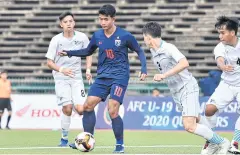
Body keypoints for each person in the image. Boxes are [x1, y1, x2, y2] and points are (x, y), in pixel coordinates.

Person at [60, 4, 147, 153]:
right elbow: (88, 51)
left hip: (119, 77)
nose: (103, 22)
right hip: (102, 77)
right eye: (100, 19)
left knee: (112, 110)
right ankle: (87, 139)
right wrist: (69, 52)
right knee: (87, 106)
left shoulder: (125, 35)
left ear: (113, 19)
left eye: (106, 19)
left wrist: (143, 69)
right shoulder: (97, 35)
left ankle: (120, 145)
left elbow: (139, 50)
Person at [142, 21, 230, 155]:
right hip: (176, 91)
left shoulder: (169, 48)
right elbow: (165, 68)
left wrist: (164, 75)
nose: (143, 40)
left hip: (186, 86)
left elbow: (184, 63)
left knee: (189, 125)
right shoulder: (153, 51)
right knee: (196, 118)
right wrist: (148, 74)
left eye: (144, 37)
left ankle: (222, 142)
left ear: (148, 37)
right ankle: (213, 143)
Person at [45, 11, 92, 147]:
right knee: (67, 108)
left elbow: (89, 54)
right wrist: (61, 69)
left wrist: (88, 70)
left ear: (74, 22)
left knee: (82, 109)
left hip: (77, 78)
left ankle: (86, 137)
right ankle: (64, 138)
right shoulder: (56, 40)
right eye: (65, 22)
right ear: (61, 25)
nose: (69, 24)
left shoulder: (82, 37)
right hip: (61, 77)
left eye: (71, 21)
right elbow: (49, 62)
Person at [200, 16, 240, 155]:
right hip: (227, 84)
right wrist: (223, 66)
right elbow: (219, 60)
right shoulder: (220, 47)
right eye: (219, 32)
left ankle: (234, 144)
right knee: (209, 110)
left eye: (223, 32)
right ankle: (212, 141)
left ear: (233, 32)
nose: (220, 36)